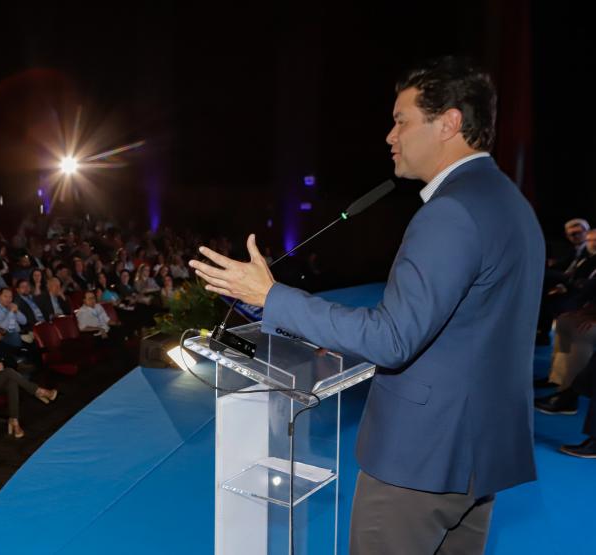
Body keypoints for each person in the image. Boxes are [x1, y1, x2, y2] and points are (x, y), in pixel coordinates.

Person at [190, 56, 544, 555]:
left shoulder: (450, 212)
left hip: (419, 462)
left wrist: (270, 296)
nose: (389, 136)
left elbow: (392, 339)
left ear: (449, 123)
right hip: (476, 458)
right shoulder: (509, 202)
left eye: (402, 121)